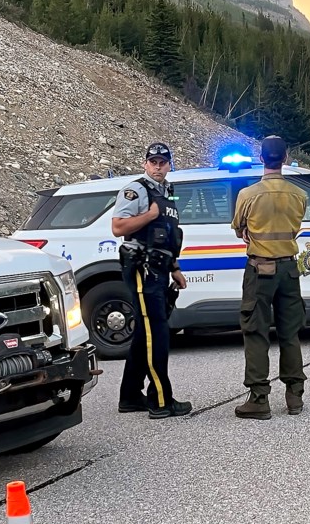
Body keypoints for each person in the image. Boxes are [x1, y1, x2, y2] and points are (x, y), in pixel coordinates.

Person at [231, 135, 309, 419]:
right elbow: (296, 228)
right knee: (290, 332)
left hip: (259, 269)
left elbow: (239, 229)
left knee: (255, 332)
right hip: (289, 270)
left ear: (262, 159)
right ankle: (294, 395)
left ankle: (259, 398)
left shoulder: (247, 195)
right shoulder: (299, 195)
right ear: (285, 158)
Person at [112, 141, 191, 419]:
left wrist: (175, 268)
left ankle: (130, 396)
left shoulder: (167, 192)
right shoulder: (137, 191)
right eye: (153, 162)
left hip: (159, 268)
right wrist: (150, 215)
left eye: (163, 162)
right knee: (155, 334)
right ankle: (160, 401)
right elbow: (118, 226)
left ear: (170, 165)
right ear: (145, 164)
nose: (158, 167)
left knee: (146, 333)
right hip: (141, 268)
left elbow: (169, 236)